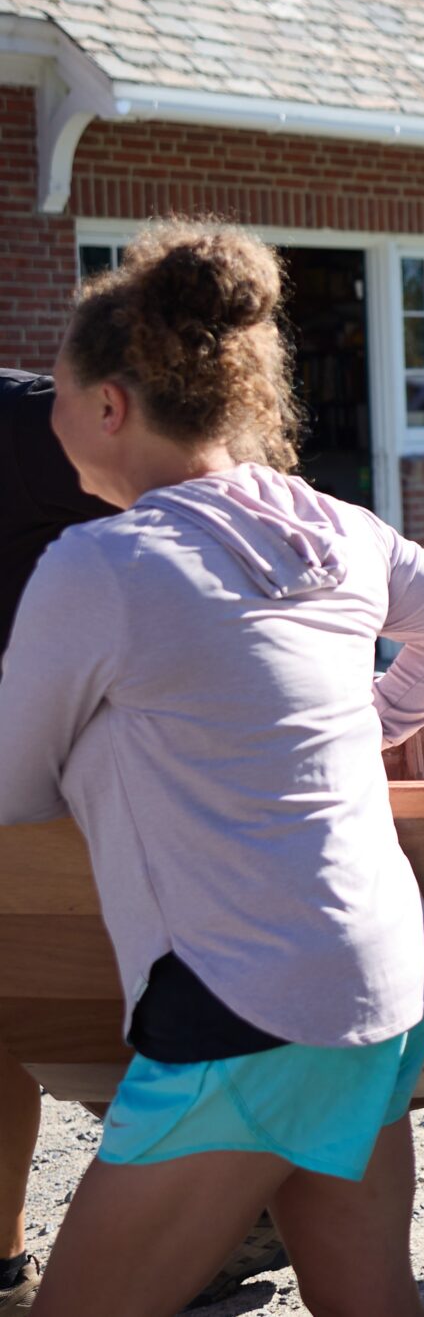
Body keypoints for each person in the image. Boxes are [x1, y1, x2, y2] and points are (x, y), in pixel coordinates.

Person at [0, 222, 424, 1316]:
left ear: (109, 407)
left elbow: (12, 787)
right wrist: (369, 720)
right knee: (367, 1300)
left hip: (245, 1009)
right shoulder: (336, 525)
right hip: (384, 981)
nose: (46, 421)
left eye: (56, 393)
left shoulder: (97, 563)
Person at [0, 370, 113, 1313]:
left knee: (91, 1008)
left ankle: (238, 1195)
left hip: (68, 787)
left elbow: (192, 509)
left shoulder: (33, 419)